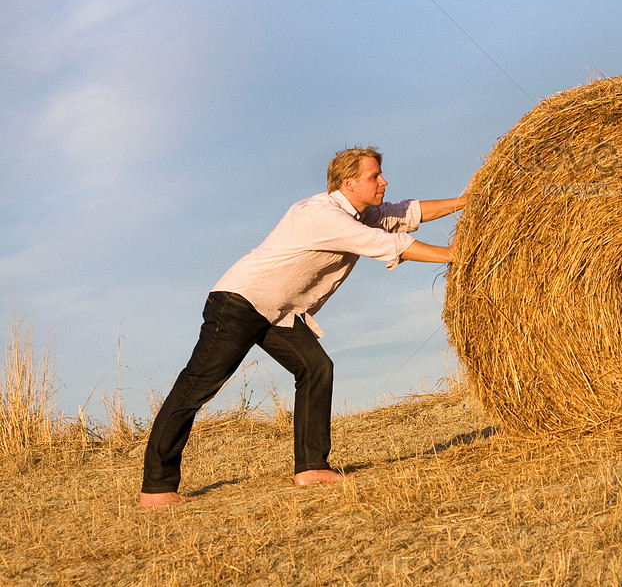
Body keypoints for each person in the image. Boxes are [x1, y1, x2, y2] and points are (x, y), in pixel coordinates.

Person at [139, 146, 468, 508]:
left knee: (315, 367)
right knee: (196, 388)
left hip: (276, 310)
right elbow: (386, 243)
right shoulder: (322, 215)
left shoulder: (360, 213)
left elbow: (405, 214)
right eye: (374, 176)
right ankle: (156, 488)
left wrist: (466, 200)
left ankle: (311, 467)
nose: (383, 181)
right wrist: (454, 254)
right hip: (238, 304)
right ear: (349, 183)